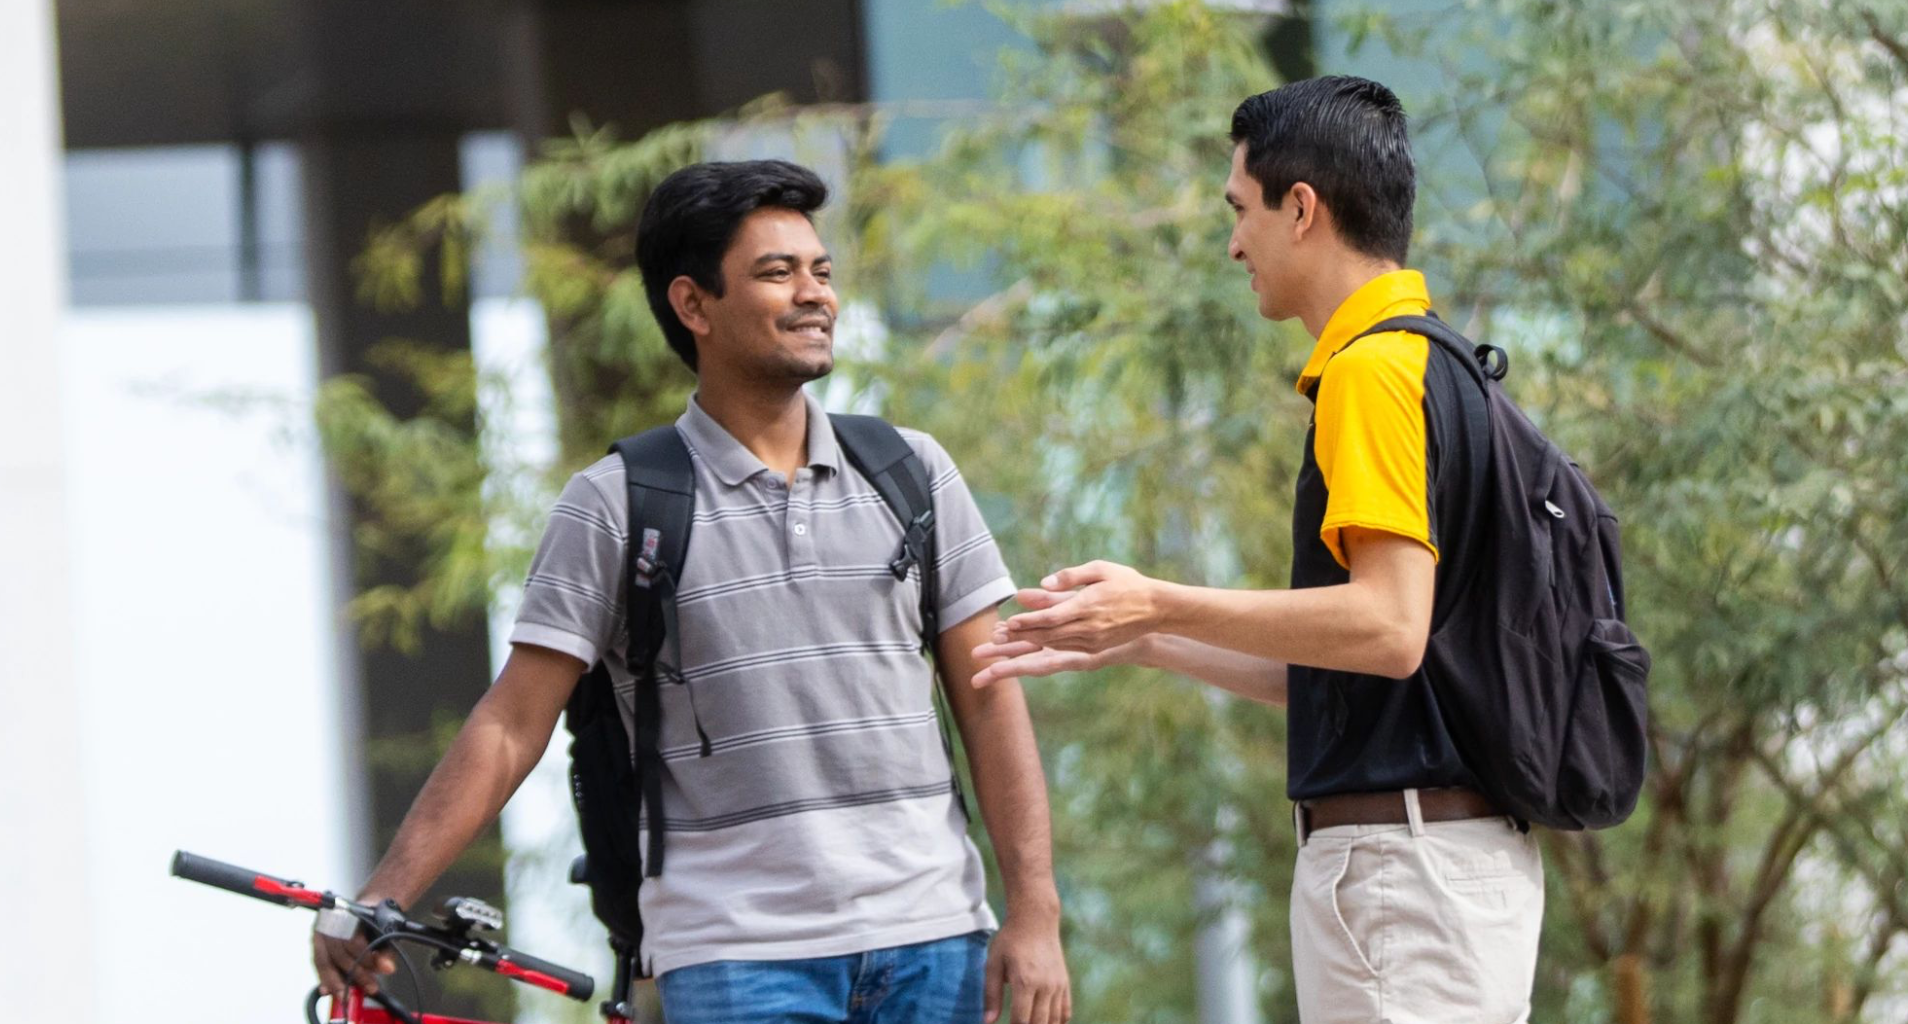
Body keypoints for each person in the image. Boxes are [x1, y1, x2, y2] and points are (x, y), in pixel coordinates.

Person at [313, 159, 1073, 1024]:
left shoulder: (913, 472)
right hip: (738, 958)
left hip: (935, 939)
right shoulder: (618, 504)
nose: (815, 293)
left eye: (821, 271)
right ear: (693, 305)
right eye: (777, 272)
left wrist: (1036, 912)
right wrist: (386, 894)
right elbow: (510, 724)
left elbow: (991, 697)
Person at [967, 76, 1547, 1023]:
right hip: (1442, 869)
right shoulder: (1442, 367)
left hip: (1403, 877)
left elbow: (1388, 627)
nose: (1235, 242)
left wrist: (1159, 600)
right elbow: (1359, 666)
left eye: (1241, 210)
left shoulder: (1371, 374)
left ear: (1303, 209)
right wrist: (1140, 640)